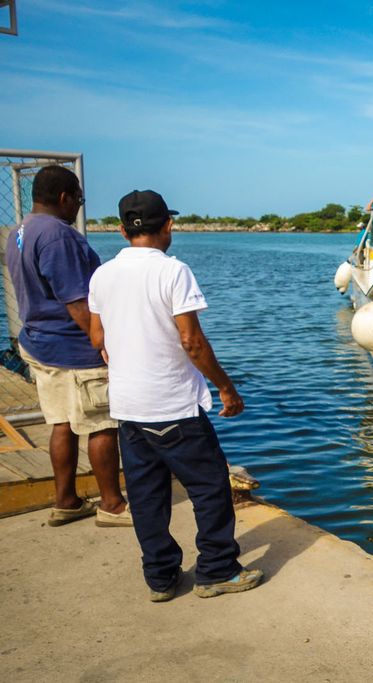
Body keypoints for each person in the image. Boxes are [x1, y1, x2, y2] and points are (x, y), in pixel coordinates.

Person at [88, 189, 261, 602]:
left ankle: (161, 579)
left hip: (129, 406)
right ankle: (217, 570)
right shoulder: (173, 271)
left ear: (121, 230)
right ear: (167, 225)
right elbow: (193, 342)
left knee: (147, 496)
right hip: (173, 405)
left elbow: (97, 336)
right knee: (210, 488)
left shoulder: (102, 275)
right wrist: (226, 386)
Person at [4, 165, 131, 527]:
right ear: (65, 197)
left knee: (62, 423)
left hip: (39, 342)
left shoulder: (20, 230)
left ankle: (67, 500)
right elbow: (77, 302)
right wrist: (104, 343)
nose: (79, 204)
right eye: (78, 197)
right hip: (72, 348)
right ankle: (112, 505)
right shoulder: (59, 237)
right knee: (102, 425)